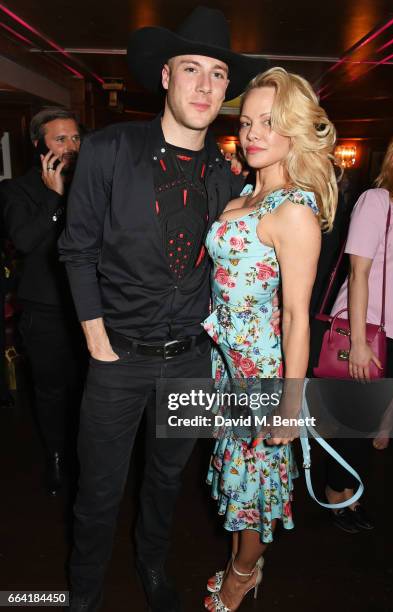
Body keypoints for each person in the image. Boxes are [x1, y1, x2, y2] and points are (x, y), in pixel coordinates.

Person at [58, 7, 268, 612]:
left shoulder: (230, 177)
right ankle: (84, 594)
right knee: (97, 490)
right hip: (117, 358)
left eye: (219, 75)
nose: (205, 85)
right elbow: (76, 250)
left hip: (192, 363)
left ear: (228, 90)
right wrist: (96, 340)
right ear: (167, 77)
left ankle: (151, 565)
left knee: (166, 481)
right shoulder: (107, 150)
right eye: (192, 69)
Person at [201, 67, 337, 612]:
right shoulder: (243, 193)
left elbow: (297, 316)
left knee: (253, 485)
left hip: (261, 373)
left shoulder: (293, 211)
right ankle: (241, 560)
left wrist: (291, 402)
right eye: (248, 121)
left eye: (269, 122)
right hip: (226, 365)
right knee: (236, 480)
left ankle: (241, 574)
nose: (252, 133)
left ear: (294, 131)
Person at [324, 125, 393, 529]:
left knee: (374, 421)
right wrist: (357, 341)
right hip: (368, 327)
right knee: (355, 418)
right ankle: (338, 498)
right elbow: (358, 273)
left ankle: (352, 494)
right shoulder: (377, 202)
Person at [0, 108, 83, 495]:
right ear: (39, 145)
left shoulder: (91, 183)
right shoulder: (17, 190)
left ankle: (86, 459)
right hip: (45, 311)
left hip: (92, 311)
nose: (69, 147)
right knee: (51, 392)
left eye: (74, 138)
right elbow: (26, 240)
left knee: (89, 391)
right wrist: (54, 199)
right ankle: (55, 460)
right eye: (59, 139)